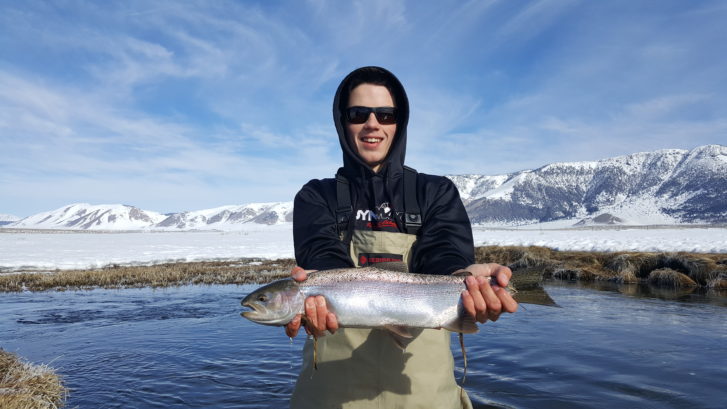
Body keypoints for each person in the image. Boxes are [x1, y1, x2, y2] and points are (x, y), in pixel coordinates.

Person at [285, 66, 517, 409]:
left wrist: (463, 278)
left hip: (425, 395)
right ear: (342, 122)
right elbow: (322, 256)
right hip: (332, 399)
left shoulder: (434, 192)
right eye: (358, 114)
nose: (372, 123)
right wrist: (320, 302)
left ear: (400, 122)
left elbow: (444, 252)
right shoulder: (317, 196)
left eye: (386, 114)